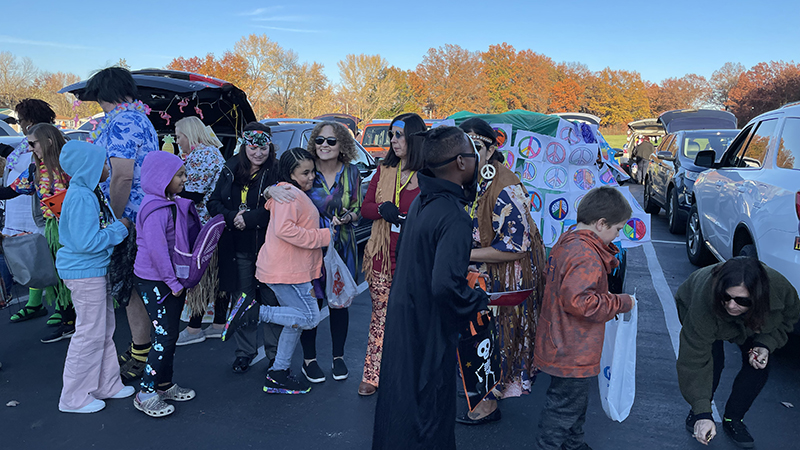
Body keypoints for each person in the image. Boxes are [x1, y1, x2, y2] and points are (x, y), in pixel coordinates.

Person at [372, 126, 488, 449]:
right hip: (427, 325)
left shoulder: (424, 200)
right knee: (429, 409)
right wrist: (477, 301)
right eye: (472, 154)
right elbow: (444, 285)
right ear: (461, 163)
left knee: (400, 400)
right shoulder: (454, 216)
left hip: (404, 314)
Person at [455, 118, 546, 425]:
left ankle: (489, 401)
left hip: (505, 276)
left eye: (476, 147)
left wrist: (460, 255)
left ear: (492, 149)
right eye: (463, 147)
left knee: (497, 337)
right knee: (478, 335)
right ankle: (481, 390)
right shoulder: (471, 178)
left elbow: (516, 246)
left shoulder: (505, 184)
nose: (469, 154)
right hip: (477, 270)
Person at [533, 186, 635, 450]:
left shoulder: (568, 242)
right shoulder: (586, 255)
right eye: (617, 229)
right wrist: (621, 302)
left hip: (559, 340)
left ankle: (573, 444)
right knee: (563, 409)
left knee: (573, 404)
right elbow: (580, 302)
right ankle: (553, 446)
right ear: (601, 224)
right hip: (573, 348)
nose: (617, 234)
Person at [82, 67, 159, 382]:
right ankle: (142, 346)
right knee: (136, 287)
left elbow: (122, 175)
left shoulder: (123, 122)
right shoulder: (140, 118)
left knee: (129, 288)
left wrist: (114, 220)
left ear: (105, 94)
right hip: (144, 216)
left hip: (130, 219)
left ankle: (142, 351)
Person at [676, 257, 800, 448]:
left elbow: (788, 319)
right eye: (727, 297)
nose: (732, 305)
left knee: (759, 364)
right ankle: (700, 409)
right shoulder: (704, 301)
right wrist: (702, 411)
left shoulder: (780, 290)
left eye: (741, 300)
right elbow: (693, 359)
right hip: (703, 310)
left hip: (752, 320)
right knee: (713, 362)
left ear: (757, 296)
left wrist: (765, 344)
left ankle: (733, 419)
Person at [56, 140, 133, 413]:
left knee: (103, 329)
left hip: (95, 269)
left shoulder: (89, 193)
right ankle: (74, 397)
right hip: (85, 271)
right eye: (101, 163)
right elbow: (86, 241)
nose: (106, 168)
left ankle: (106, 383)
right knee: (89, 333)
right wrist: (120, 229)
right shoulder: (81, 197)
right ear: (87, 167)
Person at [253, 147, 332, 394]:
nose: (311, 177)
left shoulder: (289, 192)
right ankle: (255, 312)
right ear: (290, 173)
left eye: (312, 171)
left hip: (294, 269)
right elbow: (284, 230)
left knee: (295, 322)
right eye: (305, 172)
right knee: (309, 318)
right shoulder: (288, 193)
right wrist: (324, 236)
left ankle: (279, 372)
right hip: (285, 270)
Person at [359, 112, 427, 396]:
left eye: (399, 135)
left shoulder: (429, 175)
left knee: (413, 318)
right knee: (381, 317)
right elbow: (366, 208)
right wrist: (382, 209)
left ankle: (409, 376)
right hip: (382, 256)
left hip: (416, 258)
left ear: (414, 137)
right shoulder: (384, 170)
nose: (393, 140)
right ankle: (372, 375)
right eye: (391, 135)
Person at [208, 122, 283, 373]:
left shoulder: (276, 171)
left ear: (269, 147)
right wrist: (232, 217)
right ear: (245, 146)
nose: (258, 153)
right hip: (237, 248)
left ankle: (275, 354)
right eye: (253, 148)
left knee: (271, 302)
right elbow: (213, 202)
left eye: (263, 148)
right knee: (243, 300)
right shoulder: (230, 168)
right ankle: (245, 352)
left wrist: (249, 218)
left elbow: (281, 208)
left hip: (269, 247)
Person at [131, 151, 196, 417]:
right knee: (164, 336)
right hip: (156, 281)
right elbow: (158, 252)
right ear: (162, 179)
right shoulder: (157, 210)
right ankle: (146, 391)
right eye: (179, 175)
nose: (184, 179)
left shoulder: (165, 203)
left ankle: (164, 385)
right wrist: (173, 282)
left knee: (169, 335)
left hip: (167, 281)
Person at [299, 121, 362, 383]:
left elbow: (358, 209)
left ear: (342, 145)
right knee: (311, 304)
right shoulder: (305, 170)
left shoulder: (352, 172)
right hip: (310, 248)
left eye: (331, 141)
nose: (324, 145)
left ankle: (338, 357)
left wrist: (348, 216)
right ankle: (309, 360)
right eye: (320, 140)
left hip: (343, 246)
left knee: (339, 303)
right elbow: (284, 191)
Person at [16, 123, 76, 343]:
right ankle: (68, 321)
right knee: (58, 276)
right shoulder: (35, 169)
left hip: (73, 227)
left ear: (48, 141)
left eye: (33, 143)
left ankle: (84, 319)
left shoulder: (69, 164)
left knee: (76, 275)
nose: (31, 148)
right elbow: (14, 189)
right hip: (53, 229)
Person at [173, 117, 227, 346]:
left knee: (200, 277)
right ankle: (218, 324)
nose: (177, 141)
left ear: (189, 134)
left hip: (203, 227)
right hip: (215, 225)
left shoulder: (201, 155)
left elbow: (192, 194)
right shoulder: (212, 152)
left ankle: (194, 328)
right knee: (216, 277)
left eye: (178, 136)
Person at [5, 99, 54, 325]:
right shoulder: (25, 147)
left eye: (22, 120)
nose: (21, 125)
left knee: (52, 258)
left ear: (31, 121)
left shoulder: (50, 149)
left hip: (49, 217)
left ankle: (65, 307)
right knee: (35, 257)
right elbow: (19, 184)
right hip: (25, 211)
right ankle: (35, 303)